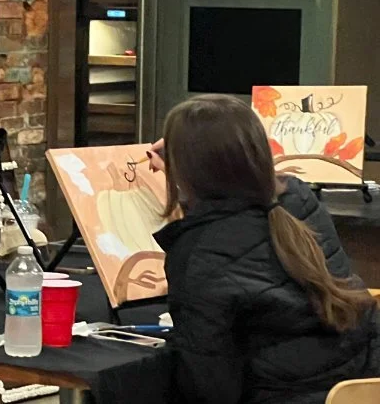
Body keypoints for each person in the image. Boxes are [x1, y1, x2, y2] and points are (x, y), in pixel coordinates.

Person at [147, 94, 379, 404]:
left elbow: (209, 388)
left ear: (189, 172)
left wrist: (183, 183)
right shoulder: (297, 199)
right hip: (357, 385)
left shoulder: (199, 252)